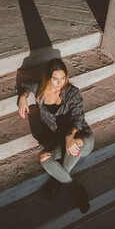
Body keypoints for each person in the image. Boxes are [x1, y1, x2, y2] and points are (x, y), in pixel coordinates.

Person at [18, 58, 94, 213]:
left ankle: (57, 181)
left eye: (63, 78)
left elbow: (77, 118)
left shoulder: (72, 93)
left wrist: (70, 136)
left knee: (74, 144)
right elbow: (27, 84)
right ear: (48, 78)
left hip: (80, 137)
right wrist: (23, 97)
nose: (60, 82)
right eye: (55, 79)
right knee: (44, 157)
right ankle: (74, 187)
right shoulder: (40, 88)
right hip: (58, 139)